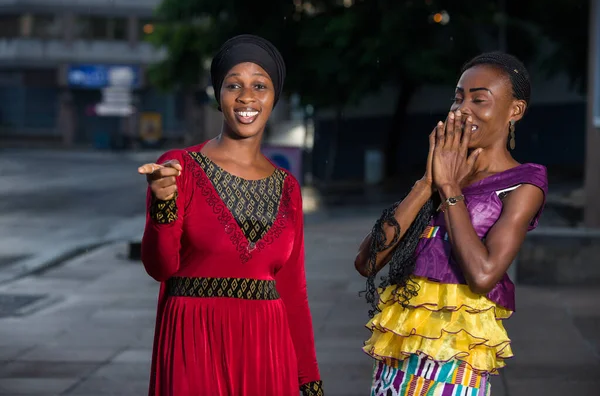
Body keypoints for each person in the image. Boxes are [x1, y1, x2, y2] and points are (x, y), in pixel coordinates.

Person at [137, 34, 323, 396]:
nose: (247, 97)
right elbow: (159, 268)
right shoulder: (180, 168)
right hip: (194, 344)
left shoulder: (288, 189)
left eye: (260, 86)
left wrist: (309, 378)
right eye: (233, 85)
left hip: (268, 352)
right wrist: (162, 207)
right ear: (218, 97)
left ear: (274, 98)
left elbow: (293, 291)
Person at [354, 52, 548, 395]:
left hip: (453, 360)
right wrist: (427, 184)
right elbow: (367, 262)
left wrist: (449, 190)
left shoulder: (522, 184)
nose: (463, 109)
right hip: (397, 357)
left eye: (479, 99)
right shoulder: (442, 172)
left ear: (514, 111)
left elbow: (484, 274)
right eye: (458, 97)